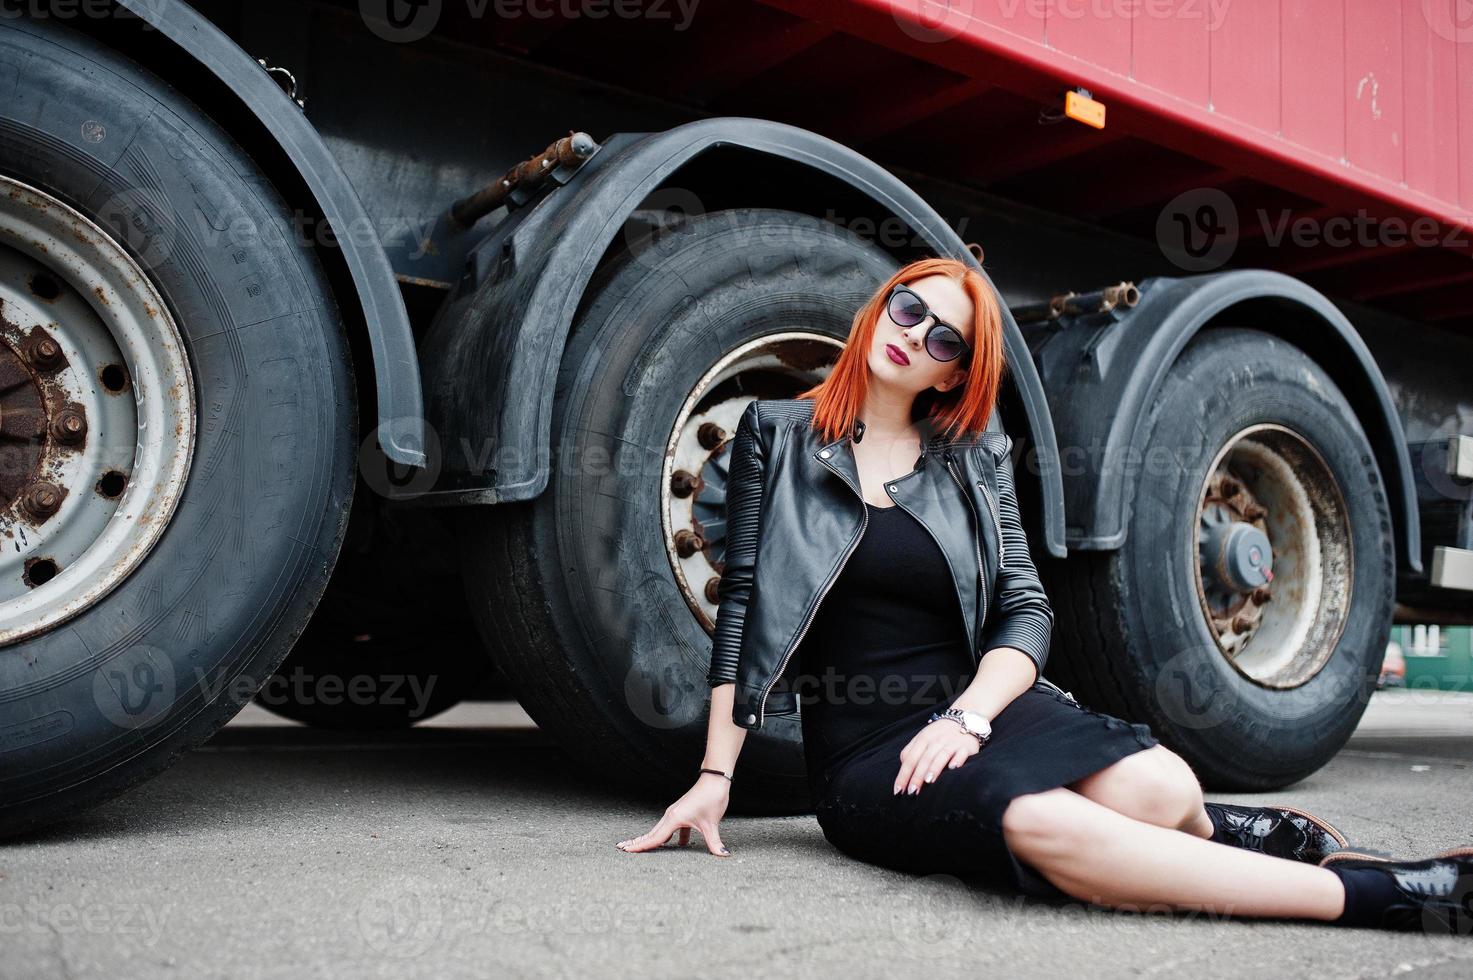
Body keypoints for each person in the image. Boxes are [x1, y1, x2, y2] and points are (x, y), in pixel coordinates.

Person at [615, 256, 1472, 934]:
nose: (916, 337)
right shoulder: (777, 433)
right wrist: (713, 775)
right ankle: (1376, 893)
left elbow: (1026, 608)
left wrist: (968, 717)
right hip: (870, 746)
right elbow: (743, 613)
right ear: (880, 307)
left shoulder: (971, 457)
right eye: (908, 309)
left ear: (953, 376)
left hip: (977, 712)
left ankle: (1200, 837)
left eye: (944, 340)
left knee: (1162, 790)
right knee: (1045, 826)